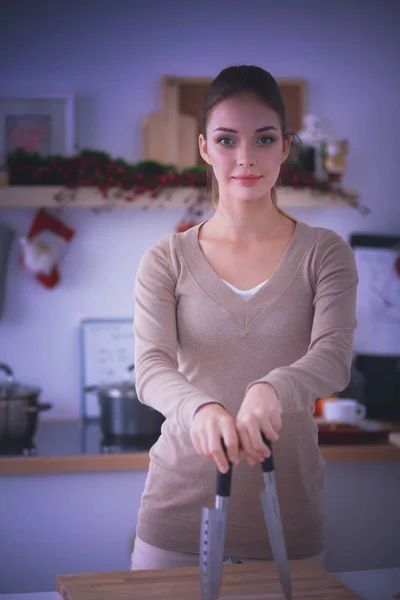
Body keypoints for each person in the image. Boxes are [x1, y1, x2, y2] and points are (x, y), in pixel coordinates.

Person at [130, 65, 358, 571]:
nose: (246, 158)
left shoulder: (325, 253)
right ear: (205, 149)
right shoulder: (165, 258)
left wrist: (271, 389)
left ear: (285, 147)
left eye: (264, 138)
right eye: (227, 139)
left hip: (289, 515)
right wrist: (201, 409)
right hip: (177, 517)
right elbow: (150, 367)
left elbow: (334, 358)